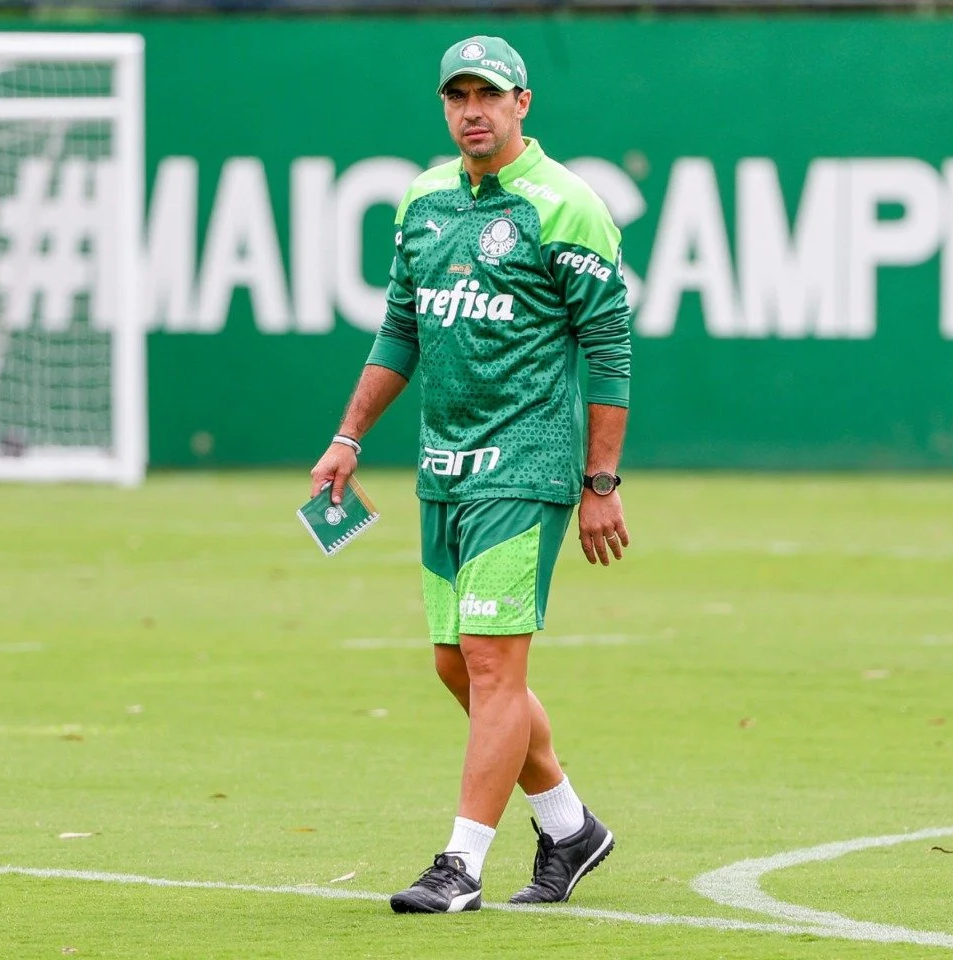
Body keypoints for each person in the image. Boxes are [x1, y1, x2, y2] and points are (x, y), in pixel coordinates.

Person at [308, 34, 632, 915]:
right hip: (441, 469)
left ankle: (460, 865)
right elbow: (400, 329)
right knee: (458, 668)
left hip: (525, 467)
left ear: (523, 103)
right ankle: (569, 826)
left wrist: (601, 485)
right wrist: (349, 436)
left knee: (492, 666)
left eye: (488, 94)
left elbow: (608, 346)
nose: (472, 111)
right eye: (457, 97)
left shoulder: (566, 206)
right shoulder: (422, 199)